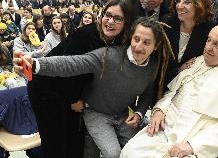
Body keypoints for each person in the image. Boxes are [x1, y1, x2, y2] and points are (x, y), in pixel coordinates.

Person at [14, 17, 174, 158]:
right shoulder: (108, 56)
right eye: (136, 39)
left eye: (146, 42)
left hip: (123, 114)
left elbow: (148, 92)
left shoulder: (153, 66)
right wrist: (35, 63)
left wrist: (139, 113)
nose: (138, 46)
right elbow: (71, 63)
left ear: (156, 45)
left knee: (140, 148)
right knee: (113, 153)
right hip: (97, 113)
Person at [120, 23, 218, 158]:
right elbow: (172, 92)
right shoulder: (197, 61)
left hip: (196, 145)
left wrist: (193, 146)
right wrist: (159, 110)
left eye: (217, 44)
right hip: (163, 130)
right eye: (208, 40)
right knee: (129, 151)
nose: (208, 47)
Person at [25, 0, 135, 158]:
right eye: (108, 15)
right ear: (101, 15)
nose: (110, 21)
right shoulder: (84, 36)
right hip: (47, 88)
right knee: (57, 141)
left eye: (117, 18)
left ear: (126, 22)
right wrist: (73, 100)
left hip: (74, 90)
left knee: (75, 138)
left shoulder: (120, 41)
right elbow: (64, 71)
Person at [162, 0, 214, 90]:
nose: (179, 6)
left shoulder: (210, 29)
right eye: (178, 1)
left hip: (193, 88)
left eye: (187, 2)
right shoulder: (165, 24)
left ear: (200, 4)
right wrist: (178, 70)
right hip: (164, 86)